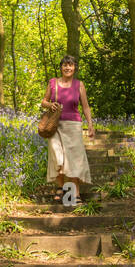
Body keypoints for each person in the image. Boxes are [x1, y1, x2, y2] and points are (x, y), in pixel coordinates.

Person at [41, 54, 94, 205]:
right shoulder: (53, 83)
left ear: (74, 68)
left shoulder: (79, 85)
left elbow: (85, 106)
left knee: (74, 159)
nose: (68, 67)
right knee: (57, 156)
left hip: (74, 125)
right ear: (61, 67)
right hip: (55, 125)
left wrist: (90, 124)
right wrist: (49, 105)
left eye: (70, 65)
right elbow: (44, 101)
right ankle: (60, 188)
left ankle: (75, 192)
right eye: (65, 65)